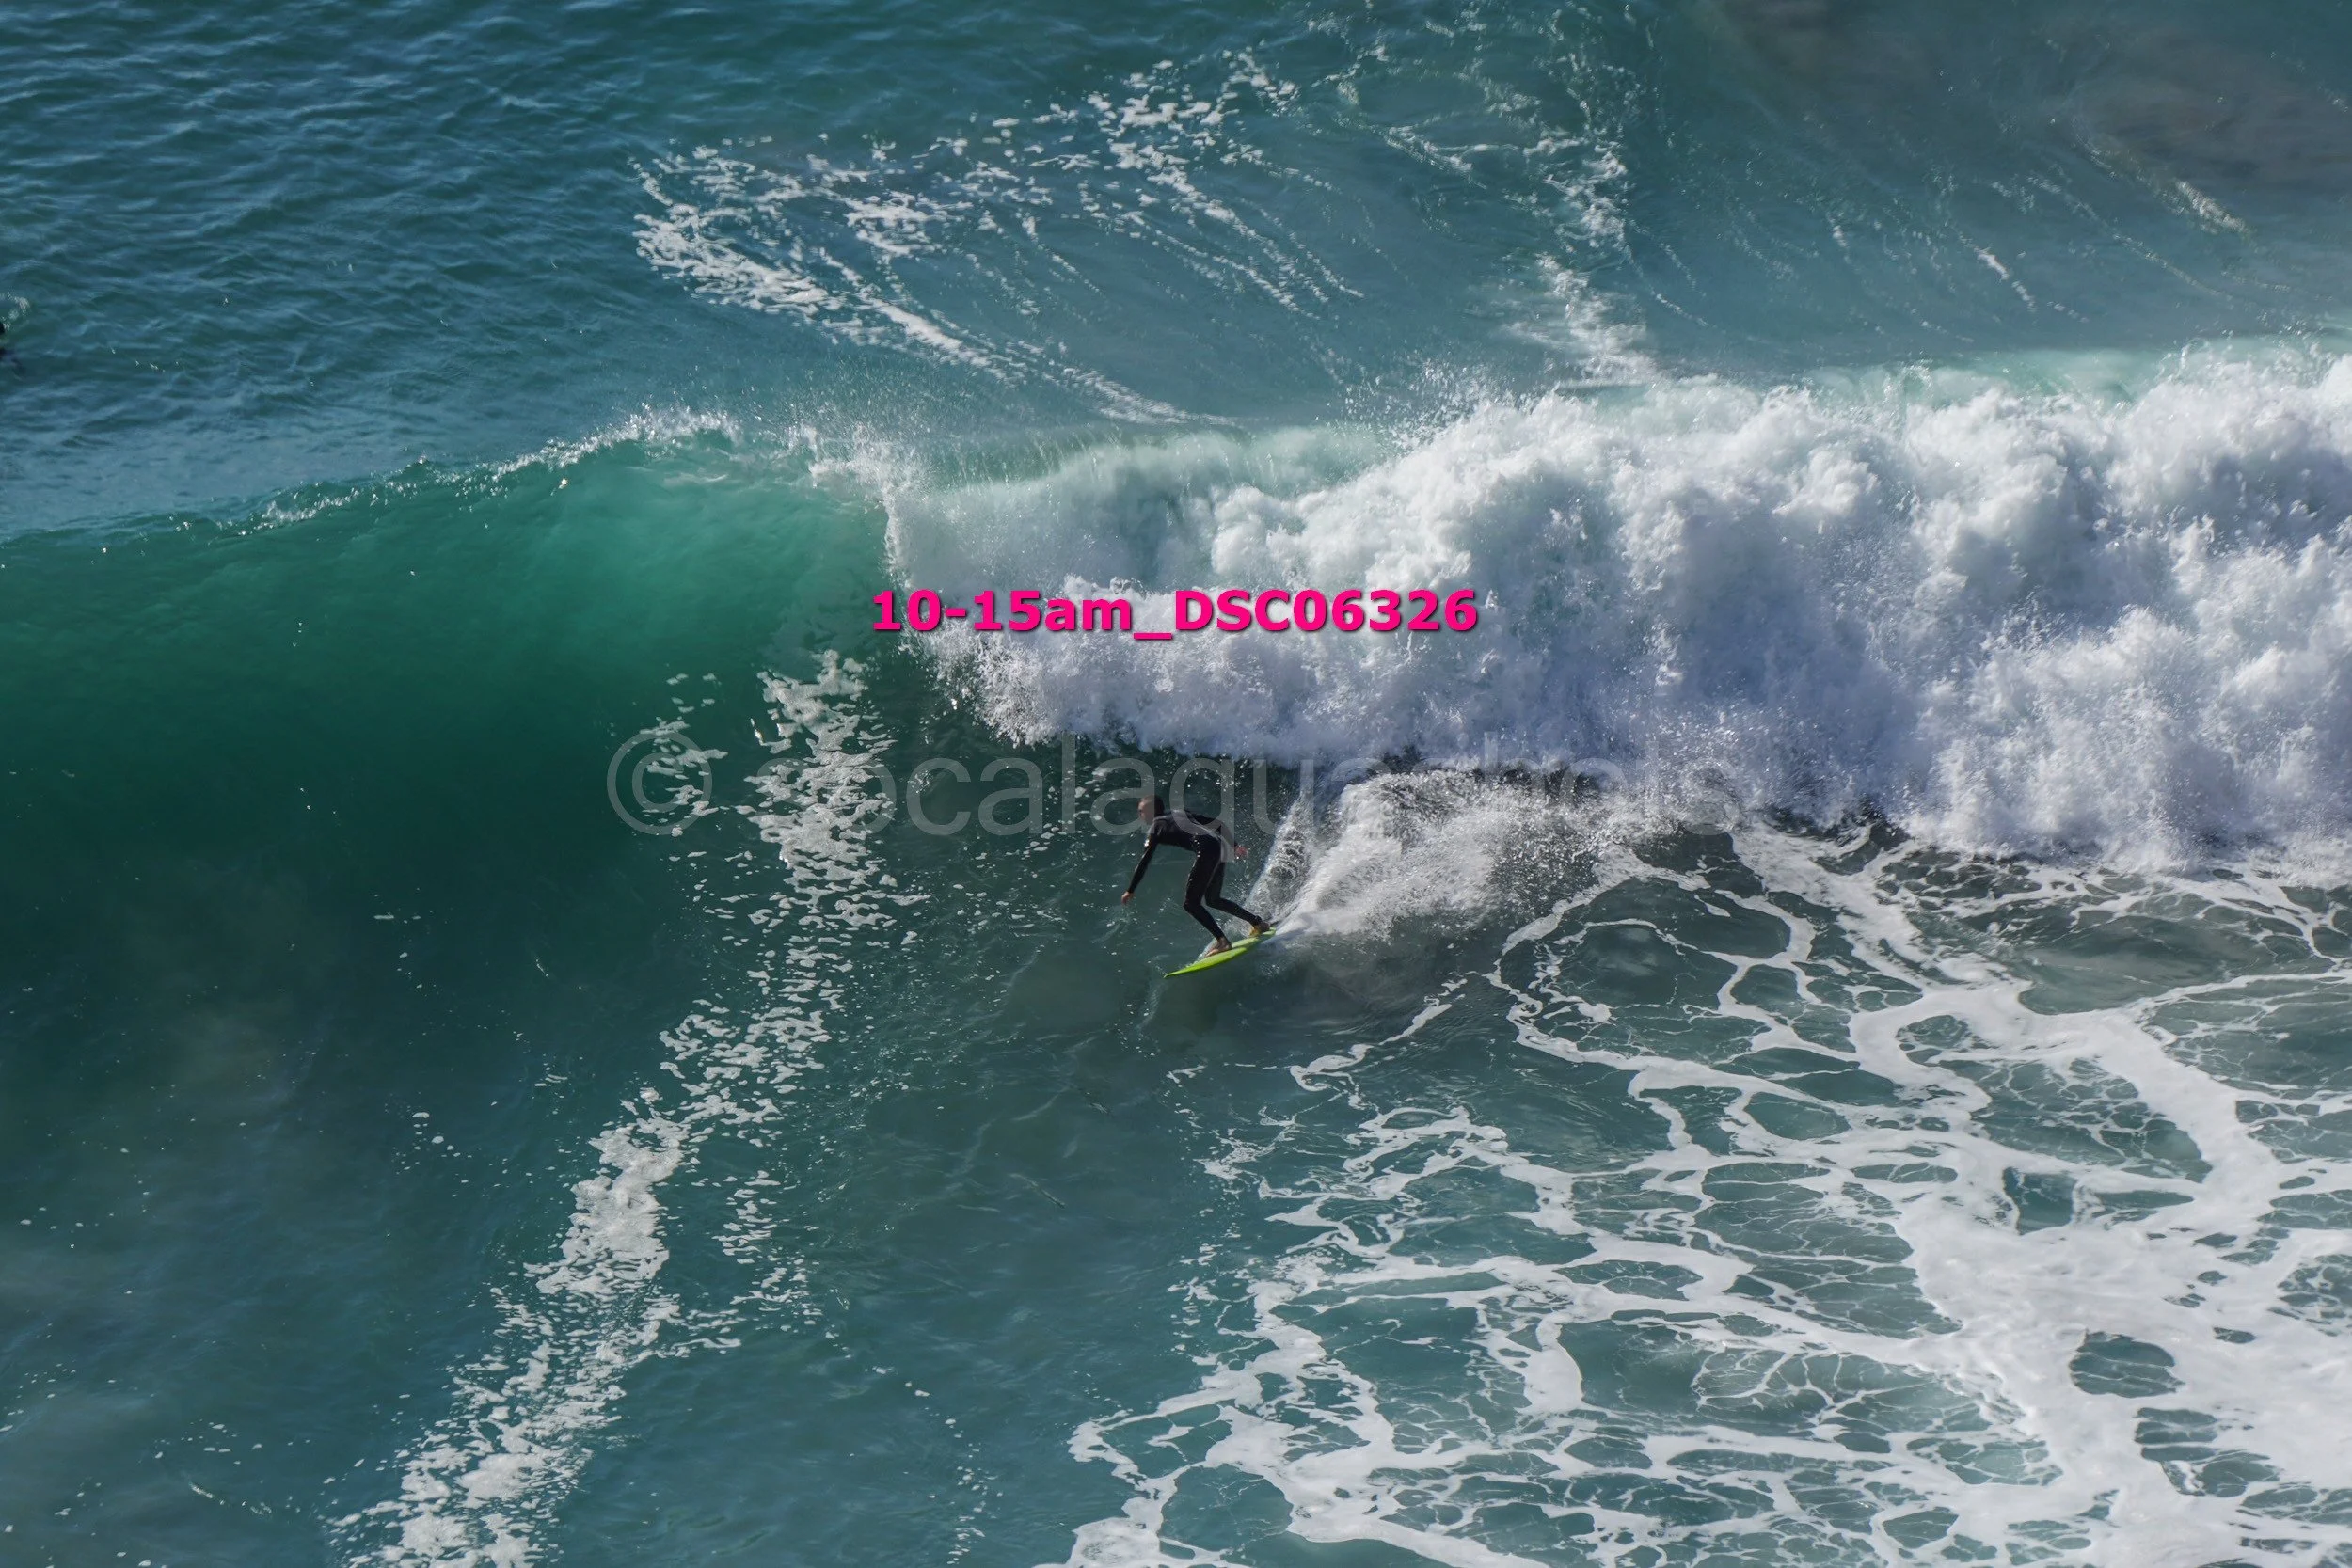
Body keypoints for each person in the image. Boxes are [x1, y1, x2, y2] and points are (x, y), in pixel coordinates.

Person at [1121, 796, 1271, 952]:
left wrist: (1130, 890)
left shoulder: (1155, 828)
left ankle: (1222, 942)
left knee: (1190, 903)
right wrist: (1234, 845)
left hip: (1207, 850)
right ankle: (1258, 923)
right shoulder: (1179, 813)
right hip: (1218, 846)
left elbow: (1144, 861)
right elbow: (1218, 824)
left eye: (1141, 811)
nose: (1140, 815)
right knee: (1213, 899)